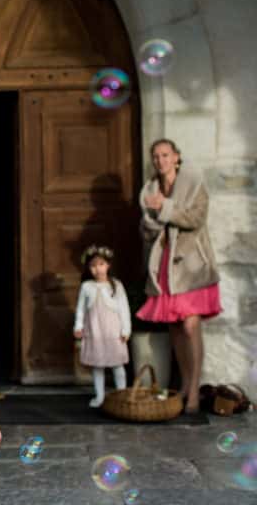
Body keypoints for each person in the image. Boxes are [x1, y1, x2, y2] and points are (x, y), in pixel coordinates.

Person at [137, 139, 221, 414]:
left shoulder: (194, 184)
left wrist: (164, 208)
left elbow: (195, 218)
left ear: (176, 157)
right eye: (156, 156)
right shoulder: (149, 188)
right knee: (174, 327)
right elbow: (146, 227)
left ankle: (195, 389)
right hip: (164, 267)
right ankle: (184, 384)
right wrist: (152, 217)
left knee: (189, 326)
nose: (160, 160)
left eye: (165, 155)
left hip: (191, 266)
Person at [73, 245, 131, 407]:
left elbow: (123, 309)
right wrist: (78, 326)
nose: (97, 269)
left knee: (117, 364)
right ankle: (100, 396)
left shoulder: (116, 286)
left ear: (108, 265)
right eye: (93, 266)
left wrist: (125, 329)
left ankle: (122, 395)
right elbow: (81, 309)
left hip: (113, 333)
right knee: (98, 366)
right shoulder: (87, 287)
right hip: (95, 331)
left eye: (101, 264)